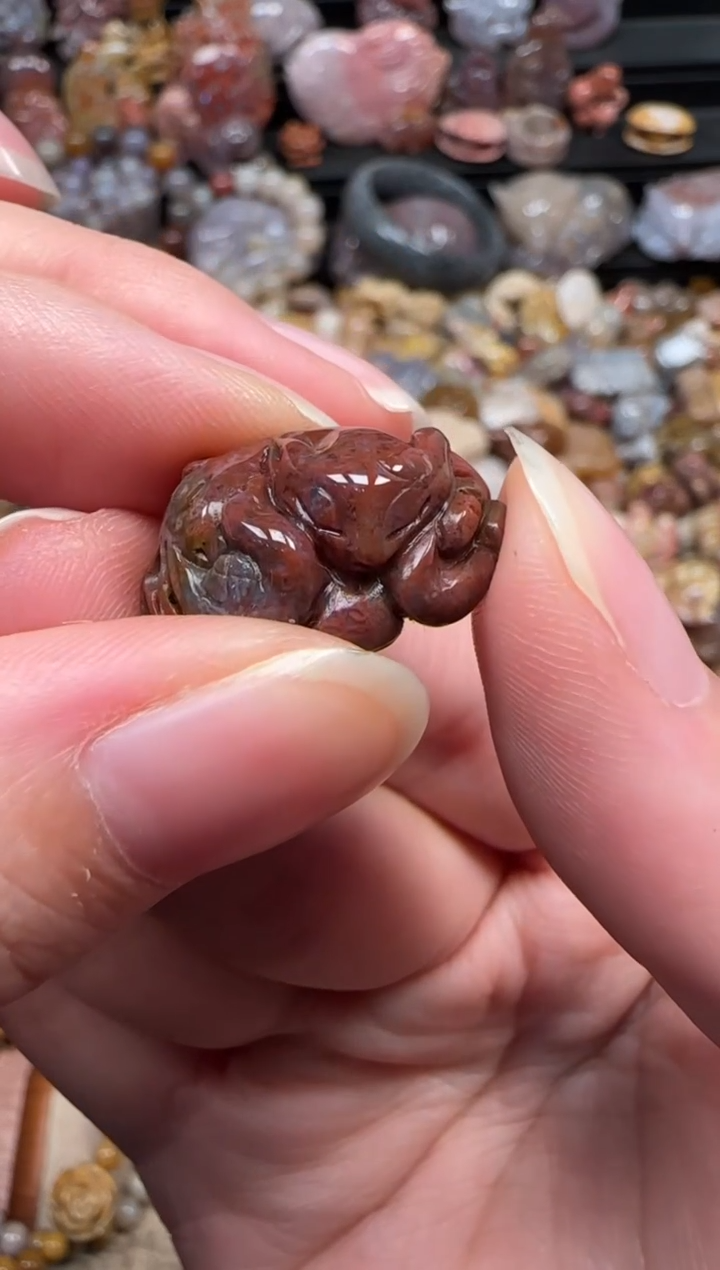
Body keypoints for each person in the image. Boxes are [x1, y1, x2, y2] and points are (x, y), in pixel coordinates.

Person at [0, 111, 718, 1269]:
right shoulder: (263, 502)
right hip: (240, 586)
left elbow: (423, 580)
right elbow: (296, 571)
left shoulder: (409, 503)